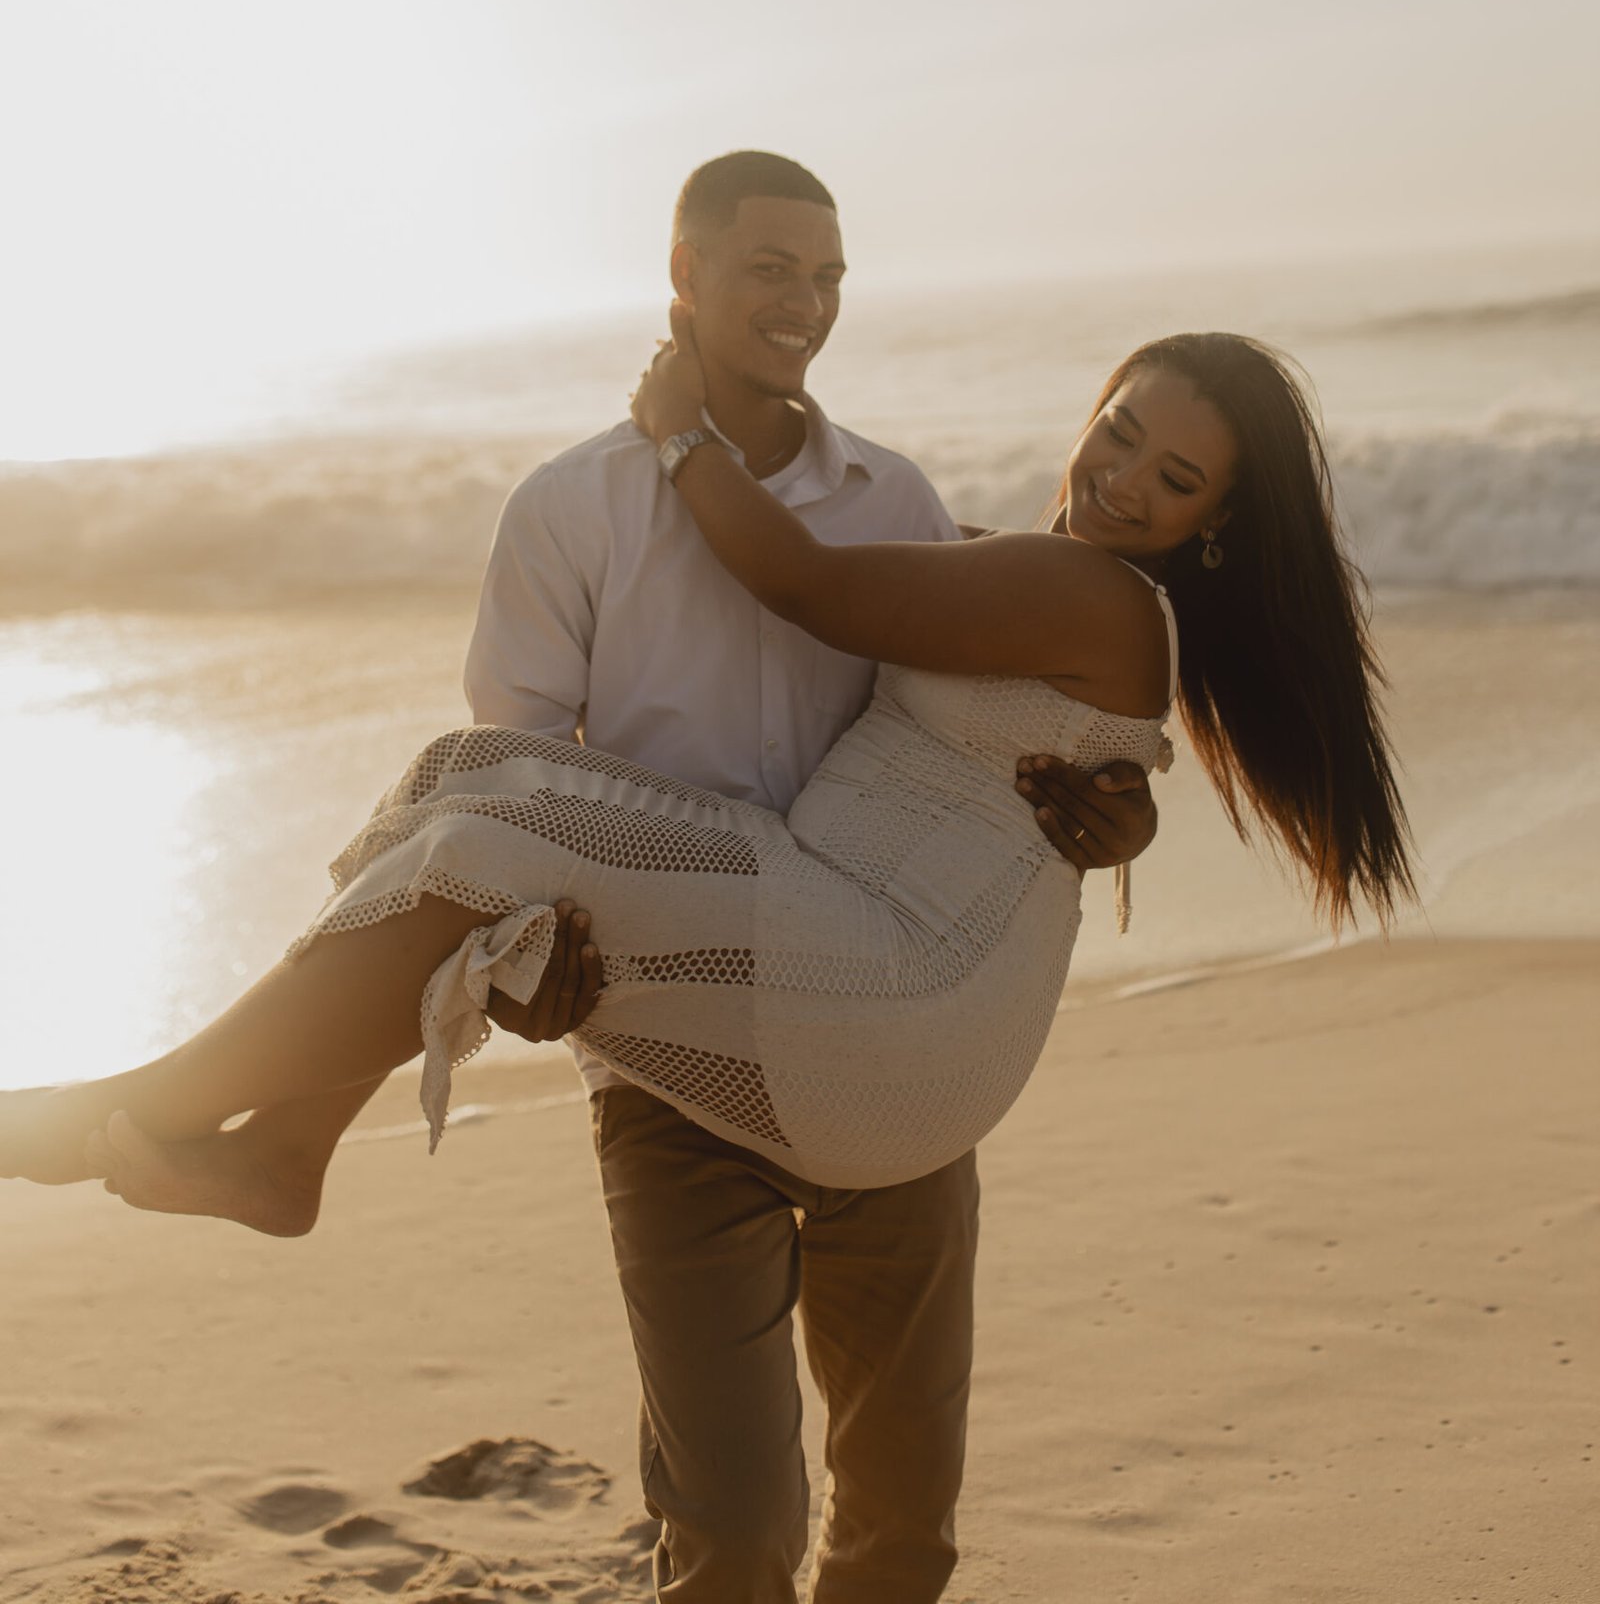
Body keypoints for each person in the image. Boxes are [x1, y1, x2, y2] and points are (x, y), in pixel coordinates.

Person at [1, 184, 1414, 1601]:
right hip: (731, 1011)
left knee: (897, 1524)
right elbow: (1005, 736)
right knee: (470, 790)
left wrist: (683, 437)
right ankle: (278, 1142)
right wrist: (518, 972)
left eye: (1176, 478)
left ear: (1215, 522)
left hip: (885, 1001)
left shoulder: (946, 528)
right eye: (1120, 430)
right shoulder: (592, 510)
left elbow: (817, 592)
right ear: (687, 271)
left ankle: (178, 1114)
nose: (1122, 477)